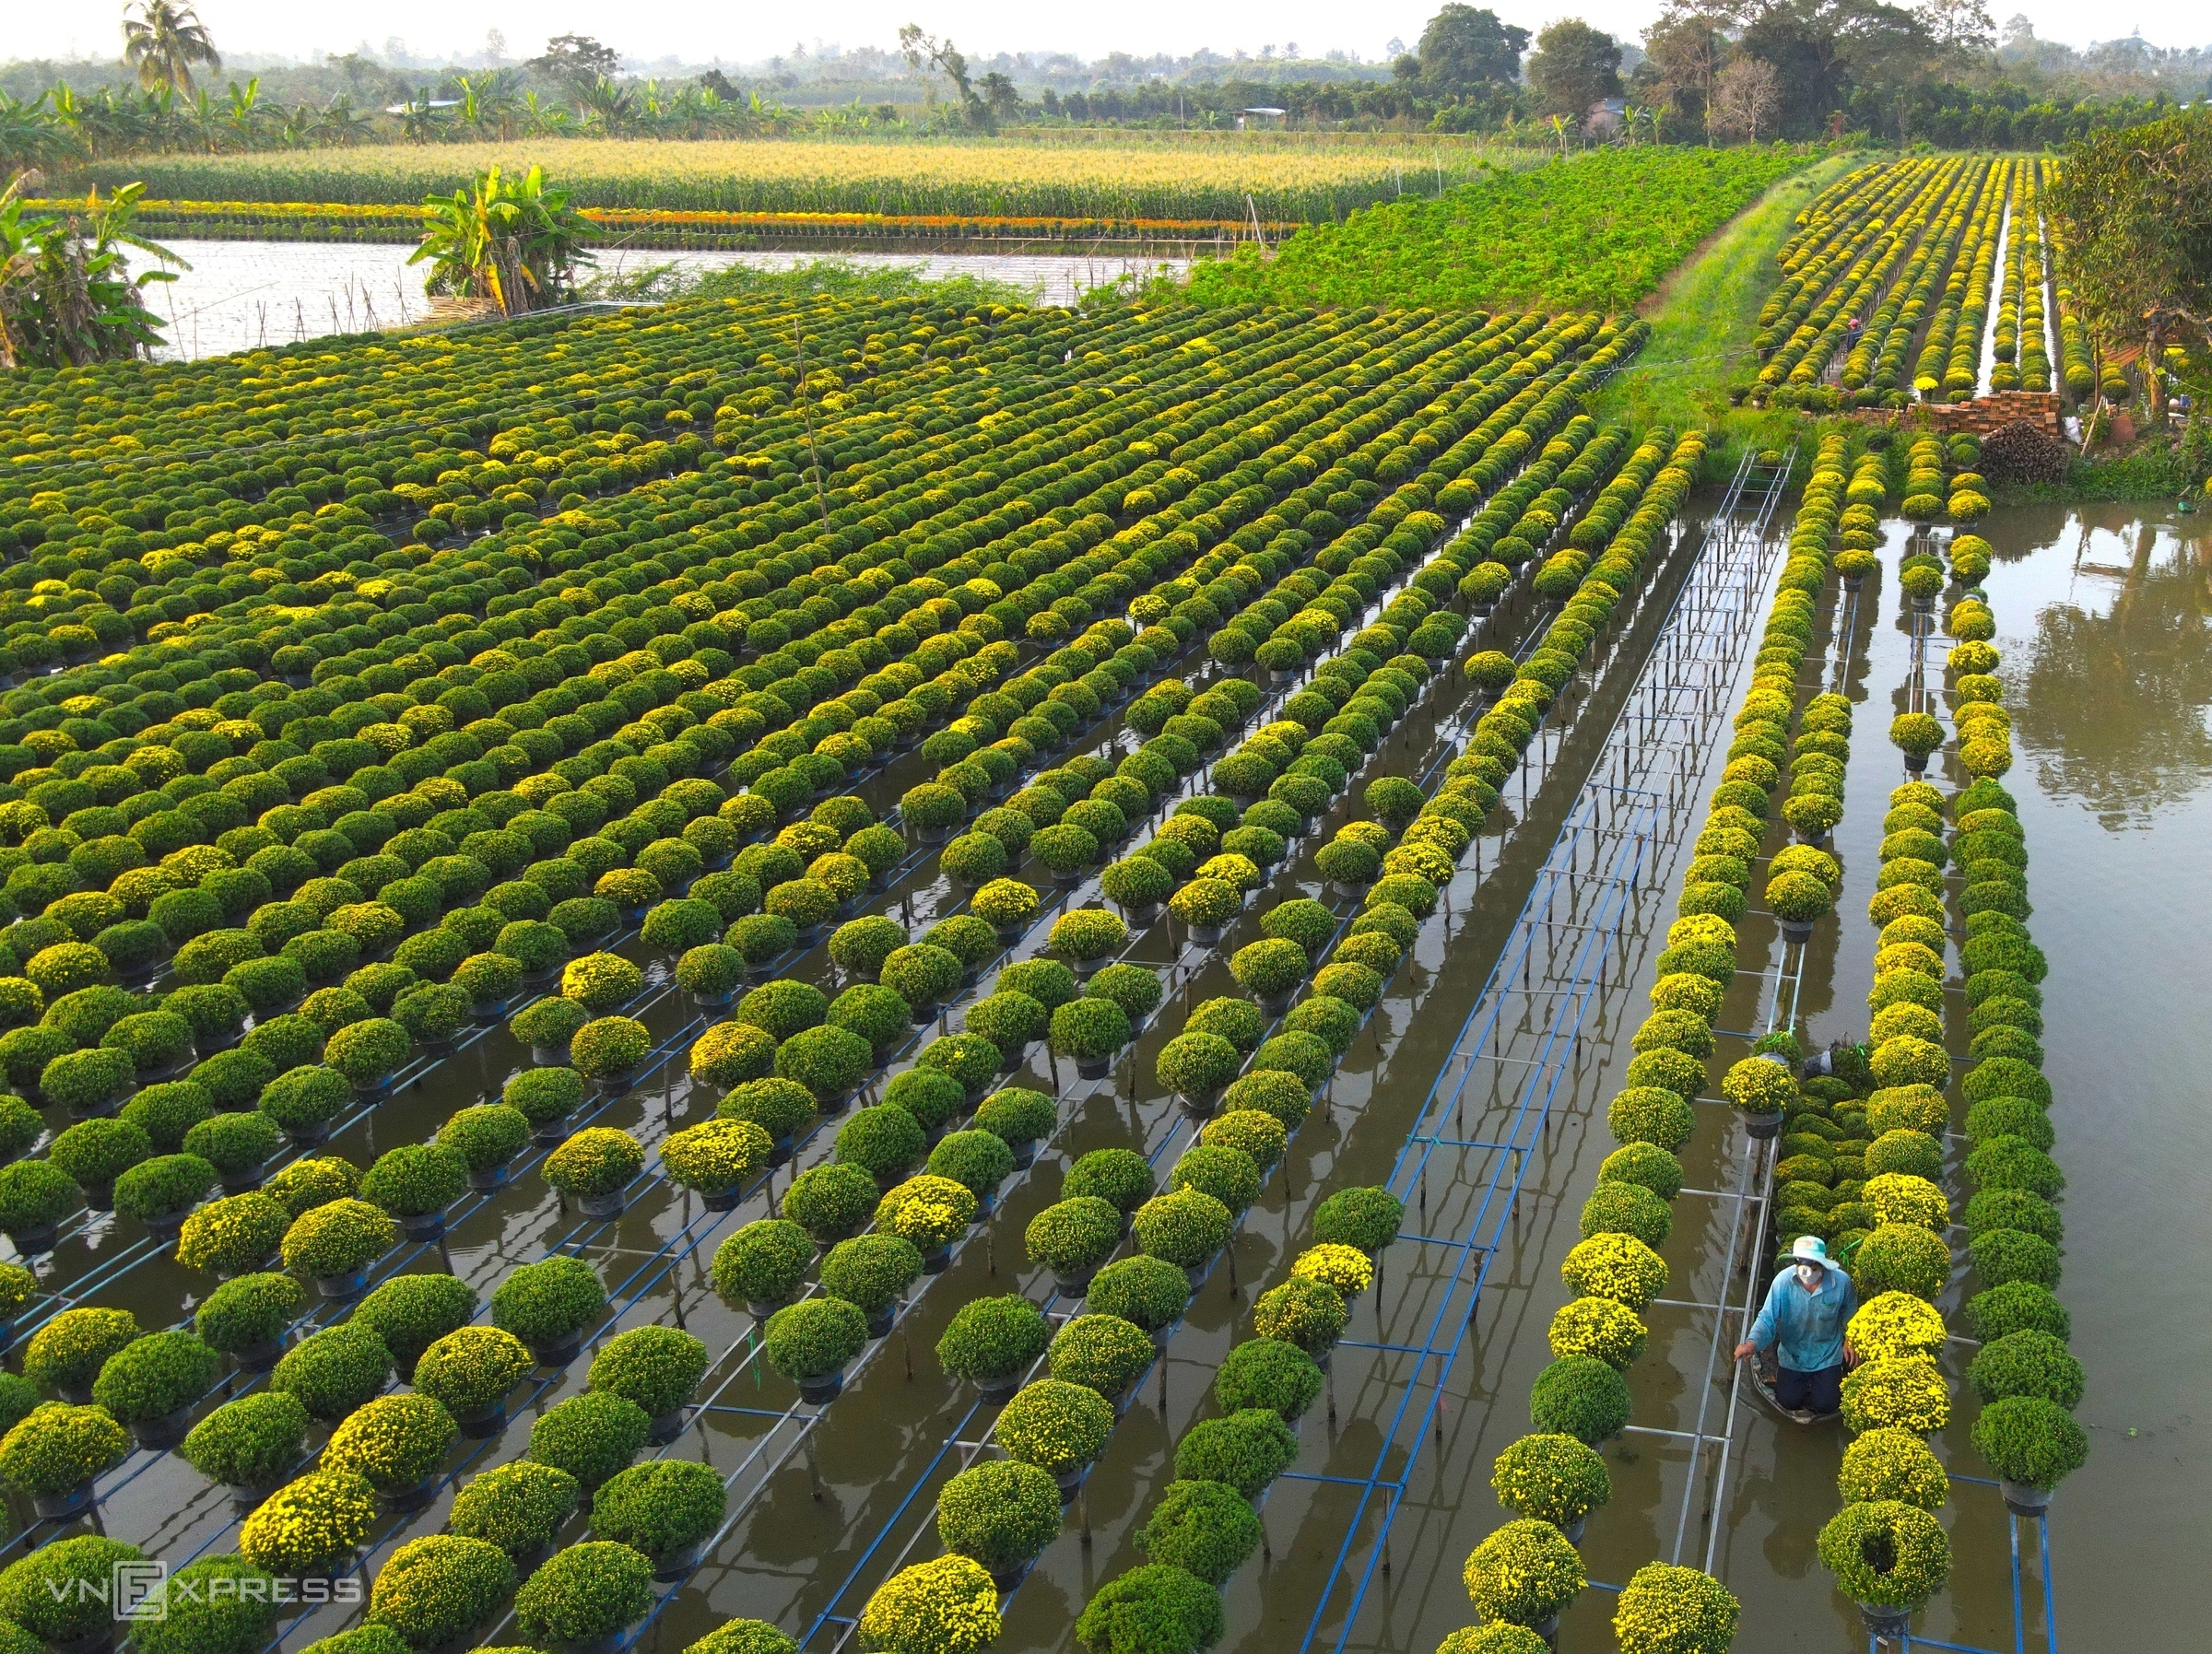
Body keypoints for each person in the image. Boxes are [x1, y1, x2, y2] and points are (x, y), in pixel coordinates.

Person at [1735, 1235, 1858, 1422]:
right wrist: (1752, 1344)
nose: (1808, 1275)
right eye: (1803, 1268)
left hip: (1827, 1354)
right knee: (1788, 1400)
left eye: (1814, 1268)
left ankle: (1824, 1384)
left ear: (1823, 1265)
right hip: (1793, 1354)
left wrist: (1850, 1340)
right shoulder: (1783, 1282)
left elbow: (1851, 1314)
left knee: (1827, 1404)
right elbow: (1767, 1318)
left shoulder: (1841, 1283)